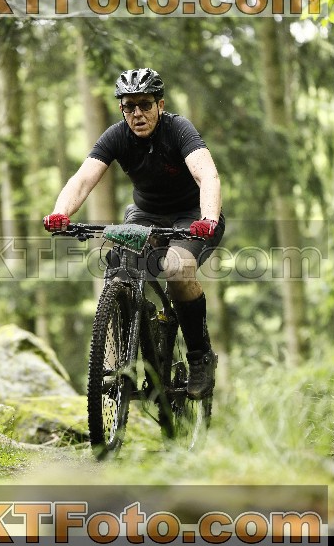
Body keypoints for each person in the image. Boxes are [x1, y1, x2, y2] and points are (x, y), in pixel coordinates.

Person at [43, 68, 225, 399]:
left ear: (160, 105)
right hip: (145, 215)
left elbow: (207, 176)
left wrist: (209, 217)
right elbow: (82, 180)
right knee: (119, 266)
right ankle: (121, 356)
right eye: (129, 106)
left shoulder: (178, 129)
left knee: (176, 268)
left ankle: (200, 357)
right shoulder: (117, 136)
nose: (137, 113)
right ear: (122, 109)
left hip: (192, 216)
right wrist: (61, 213)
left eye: (145, 105)